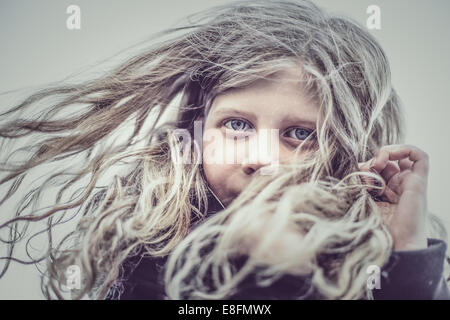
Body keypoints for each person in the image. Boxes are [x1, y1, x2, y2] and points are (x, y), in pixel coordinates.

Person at [0, 0, 448, 300]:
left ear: (345, 152)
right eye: (237, 125)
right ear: (196, 131)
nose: (261, 157)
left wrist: (403, 256)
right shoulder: (145, 248)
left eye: (299, 134)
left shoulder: (386, 263)